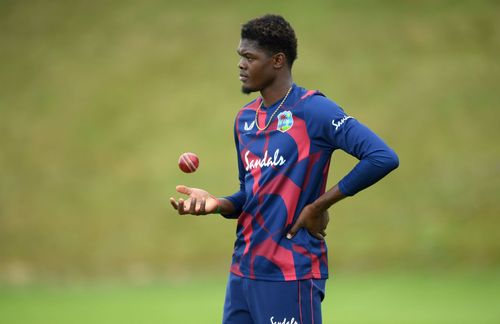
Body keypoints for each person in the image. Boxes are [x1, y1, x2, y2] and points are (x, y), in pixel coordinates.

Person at [170, 14, 399, 324]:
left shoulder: (314, 110)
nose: (241, 64)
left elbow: (382, 157)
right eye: (240, 56)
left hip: (291, 273)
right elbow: (250, 195)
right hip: (243, 273)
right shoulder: (244, 120)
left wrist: (319, 206)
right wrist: (217, 204)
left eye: (249, 57)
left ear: (277, 60)